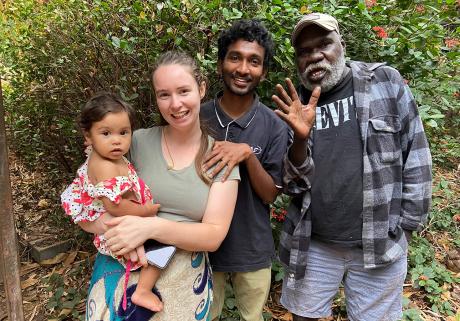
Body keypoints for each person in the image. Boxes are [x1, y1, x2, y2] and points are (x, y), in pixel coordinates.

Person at [272, 13, 432, 321]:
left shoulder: (384, 83)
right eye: (304, 51)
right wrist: (300, 140)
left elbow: (417, 155)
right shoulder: (295, 106)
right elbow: (293, 186)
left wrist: (407, 228)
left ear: (341, 45)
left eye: (324, 44)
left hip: (380, 240)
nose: (315, 55)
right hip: (314, 243)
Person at [77, 51, 240, 321]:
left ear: (201, 89)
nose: (175, 104)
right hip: (121, 265)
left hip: (182, 279)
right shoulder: (134, 142)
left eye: (183, 91)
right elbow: (91, 195)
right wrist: (108, 226)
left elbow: (213, 236)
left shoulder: (220, 158)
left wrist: (150, 226)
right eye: (164, 94)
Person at [200, 19, 289, 321]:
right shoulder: (197, 117)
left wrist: (248, 155)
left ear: (263, 72)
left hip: (252, 248)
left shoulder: (273, 125)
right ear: (221, 63)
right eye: (235, 57)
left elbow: (269, 194)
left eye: (254, 61)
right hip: (200, 249)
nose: (242, 68)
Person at [61, 92, 164, 312]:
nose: (116, 140)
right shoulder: (105, 165)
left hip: (117, 219)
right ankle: (143, 290)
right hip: (116, 220)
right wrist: (146, 210)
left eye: (124, 132)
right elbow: (114, 206)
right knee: (163, 247)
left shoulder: (110, 157)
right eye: (106, 133)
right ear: (88, 136)